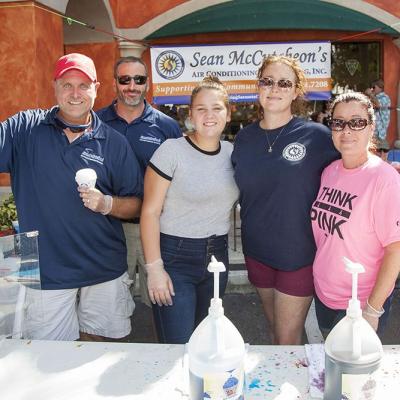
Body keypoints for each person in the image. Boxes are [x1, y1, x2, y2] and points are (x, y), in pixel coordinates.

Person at [0, 53, 143, 341]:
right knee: (43, 357)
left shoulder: (114, 142)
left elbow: (136, 204)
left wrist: (107, 204)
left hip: (103, 264)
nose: (75, 94)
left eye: (83, 85)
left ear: (97, 88)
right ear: (54, 86)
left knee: (99, 350)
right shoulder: (24, 128)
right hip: (38, 264)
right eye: (67, 85)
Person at [231, 55, 339, 345]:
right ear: (258, 86)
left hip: (298, 254)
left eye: (284, 83)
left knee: (286, 338)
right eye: (267, 81)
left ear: (295, 91)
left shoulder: (317, 137)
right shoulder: (244, 139)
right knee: (273, 327)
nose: (274, 88)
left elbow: (353, 167)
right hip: (256, 253)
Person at [140, 76, 238, 344]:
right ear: (190, 114)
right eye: (201, 108)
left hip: (217, 258)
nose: (209, 115)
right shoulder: (171, 151)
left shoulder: (233, 153)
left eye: (217, 108)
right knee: (178, 345)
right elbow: (149, 213)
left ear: (228, 114)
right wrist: (155, 269)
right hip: (174, 259)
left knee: (207, 342)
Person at [312, 92, 400, 337]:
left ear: (371, 127)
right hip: (324, 296)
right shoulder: (329, 172)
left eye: (357, 122)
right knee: (331, 368)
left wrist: (373, 310)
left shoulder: (384, 179)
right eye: (338, 122)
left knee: (353, 374)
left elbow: (396, 249)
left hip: (359, 304)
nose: (346, 130)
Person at [97, 56, 182, 306]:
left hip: (155, 228)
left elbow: (178, 178)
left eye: (139, 79)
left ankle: (160, 346)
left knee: (161, 301)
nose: (131, 86)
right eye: (125, 79)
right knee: (108, 304)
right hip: (108, 227)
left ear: (147, 84)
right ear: (115, 83)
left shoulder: (166, 126)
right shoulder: (96, 122)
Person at [365, 79, 391, 148]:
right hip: (374, 130)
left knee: (382, 148)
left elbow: (379, 104)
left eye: (374, 87)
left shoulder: (385, 97)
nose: (372, 89)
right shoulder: (374, 97)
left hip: (380, 130)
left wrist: (370, 94)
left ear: (380, 87)